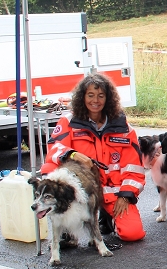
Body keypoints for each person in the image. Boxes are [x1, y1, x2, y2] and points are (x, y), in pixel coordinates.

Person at [42, 72, 146, 248]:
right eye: (90, 95)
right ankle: (66, 228)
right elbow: (54, 149)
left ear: (108, 98)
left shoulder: (122, 127)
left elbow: (134, 167)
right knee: (49, 169)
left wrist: (126, 195)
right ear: (82, 97)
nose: (95, 100)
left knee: (133, 233)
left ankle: (107, 217)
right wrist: (72, 154)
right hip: (81, 191)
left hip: (113, 193)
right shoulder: (69, 122)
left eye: (100, 95)